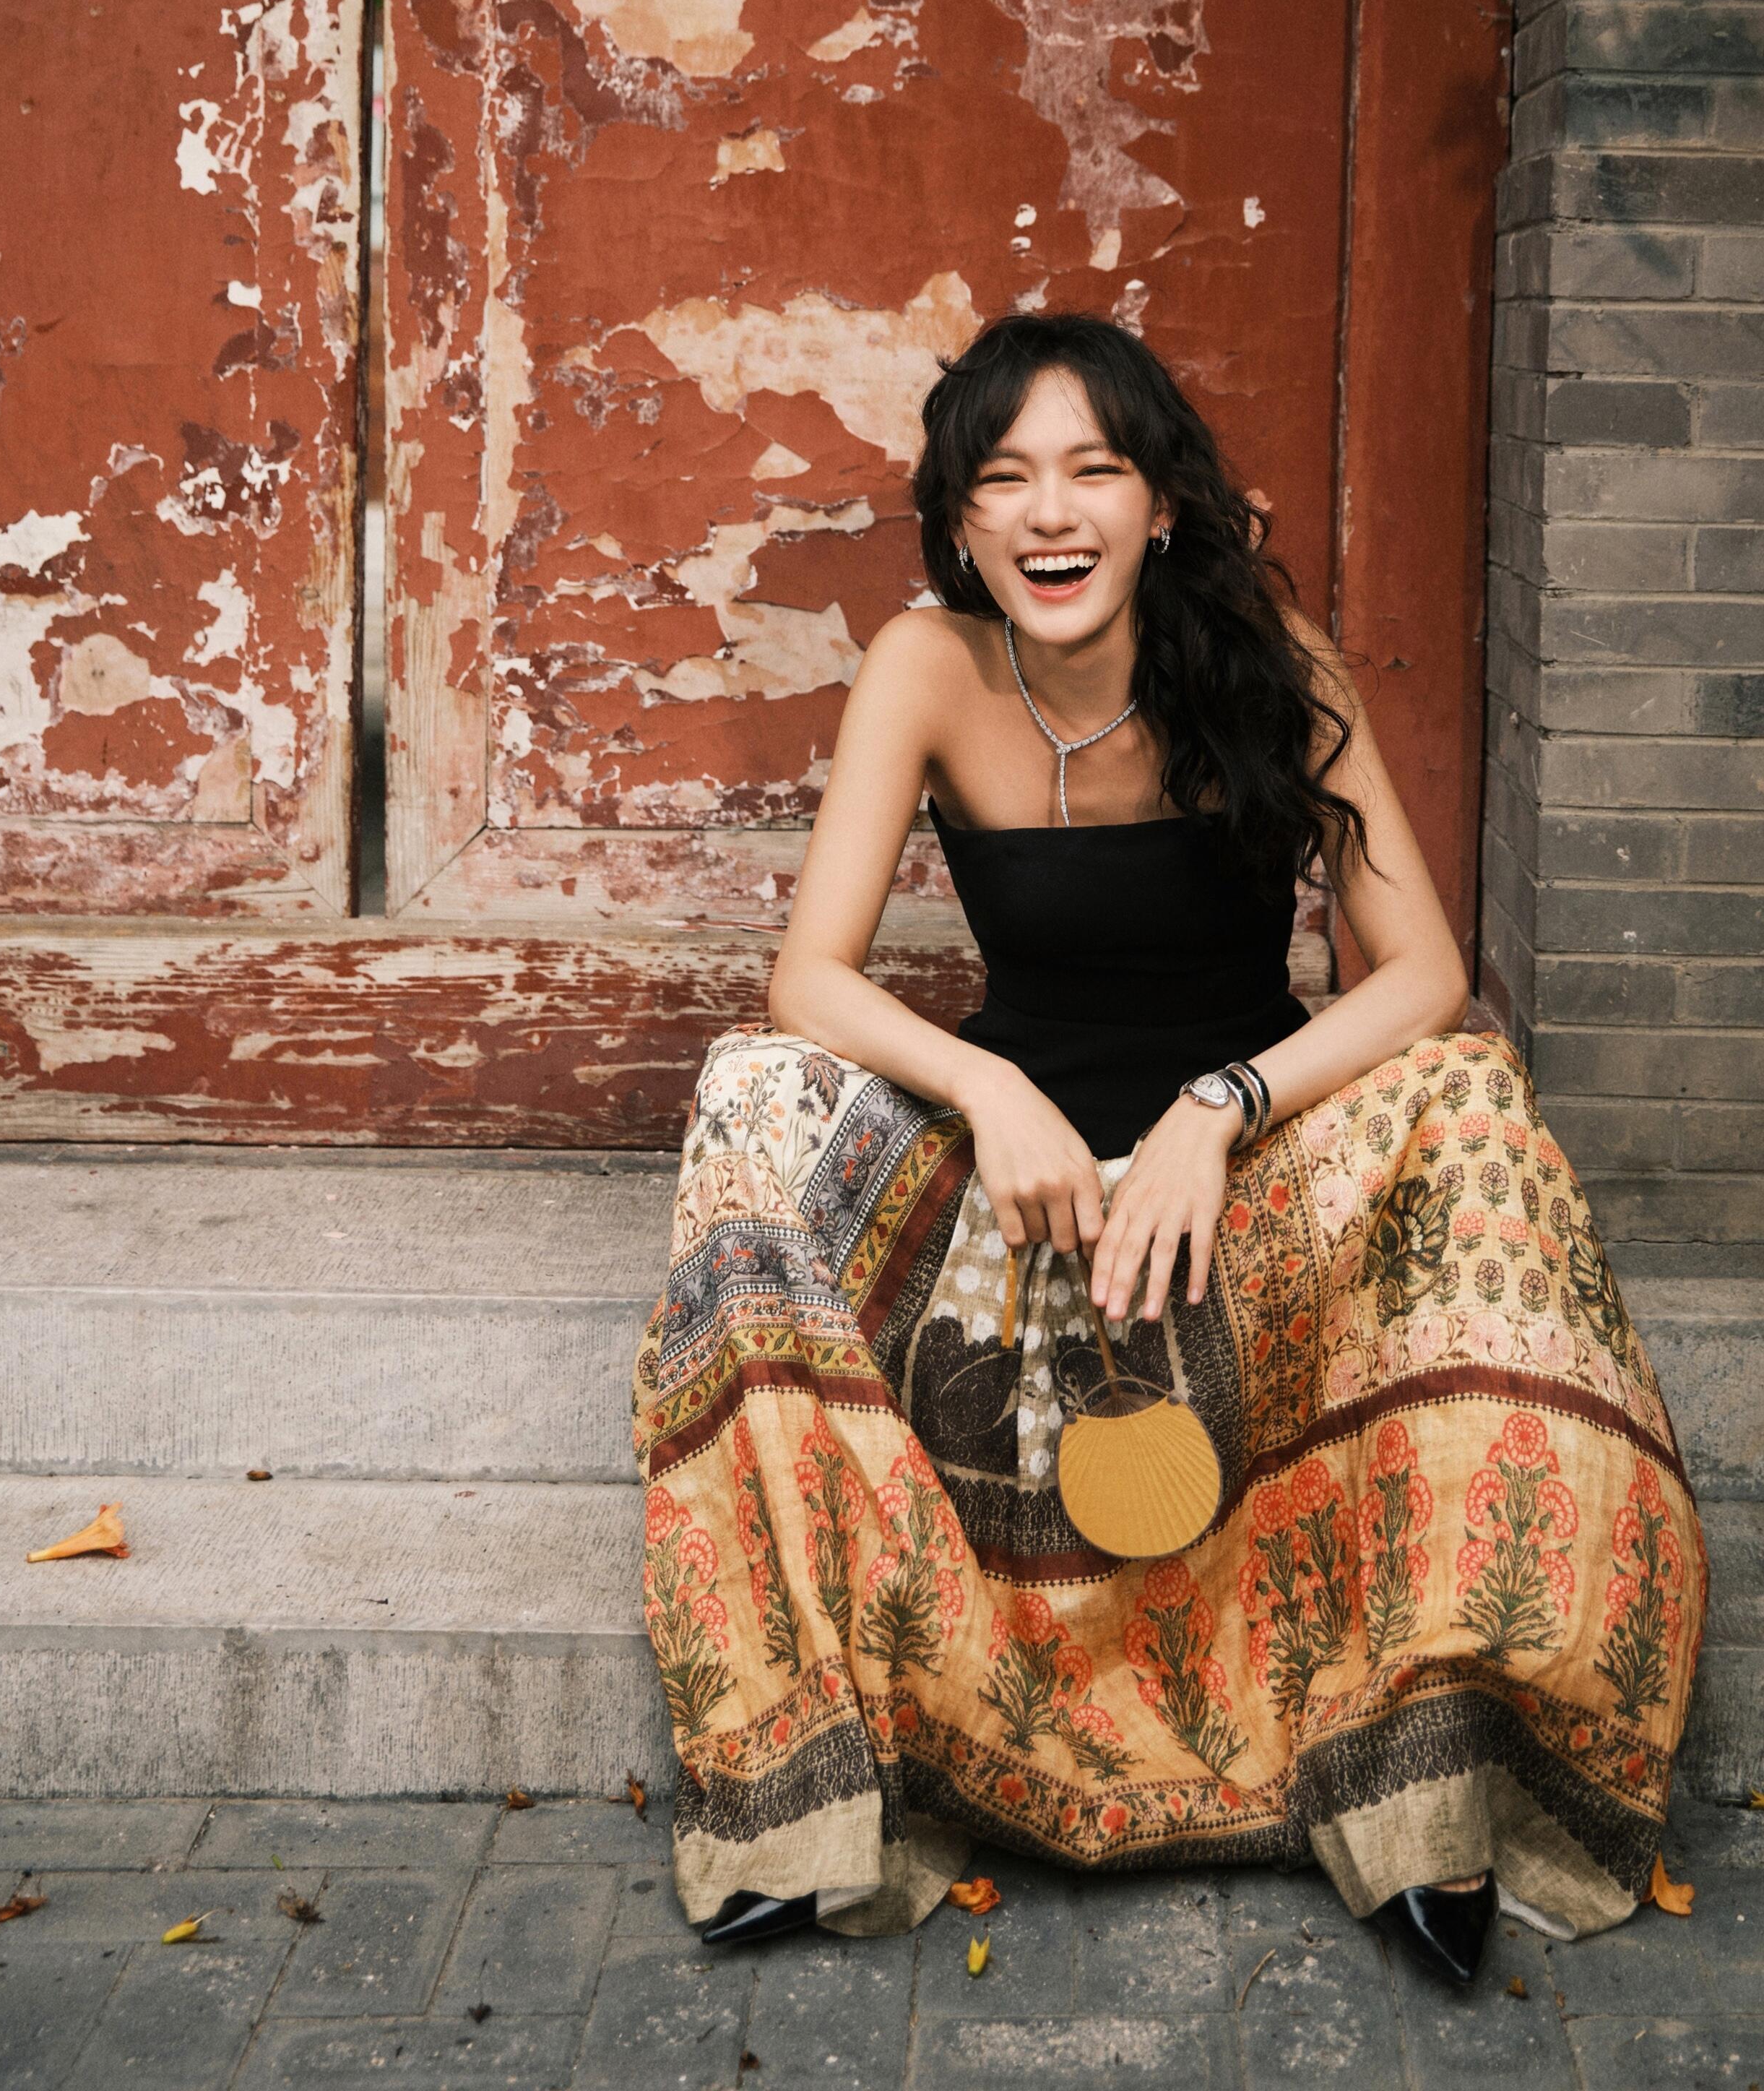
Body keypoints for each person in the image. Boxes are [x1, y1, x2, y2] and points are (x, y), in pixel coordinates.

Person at [634, 311, 1705, 1980]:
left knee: (1470, 1095)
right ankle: (808, 1798)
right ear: (962, 518)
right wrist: (992, 1093)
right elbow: (811, 978)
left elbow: (1420, 972)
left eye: (1093, 470)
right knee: (750, 1090)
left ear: (1161, 505)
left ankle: (1430, 1785)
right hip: (1022, 1192)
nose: (1051, 513)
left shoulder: (1277, 664)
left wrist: (1225, 1105)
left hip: (1250, 1187)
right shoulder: (928, 663)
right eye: (1006, 480)